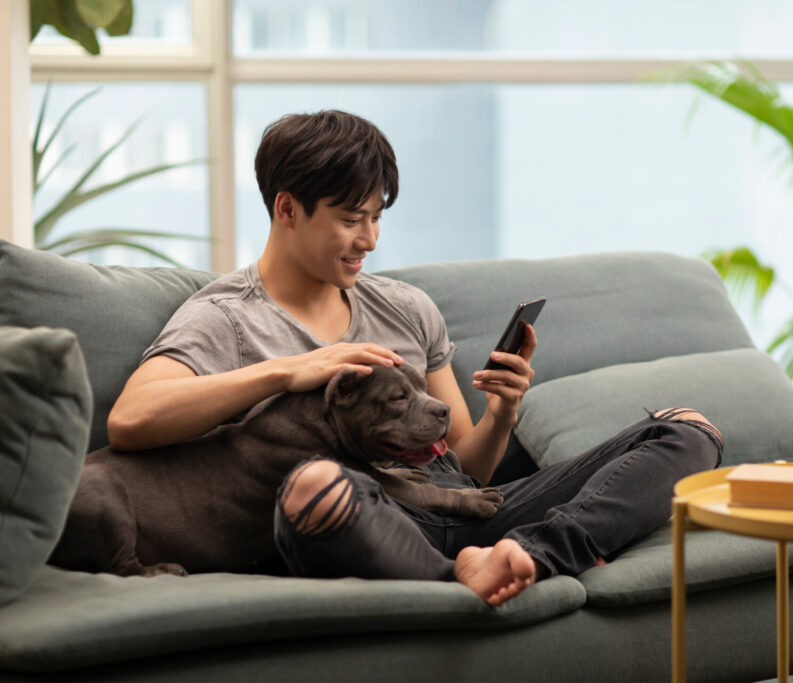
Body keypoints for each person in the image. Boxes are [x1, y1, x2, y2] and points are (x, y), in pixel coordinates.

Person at [107, 110, 723, 607]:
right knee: (315, 485)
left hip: (471, 514)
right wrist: (287, 371)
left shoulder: (404, 308)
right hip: (365, 524)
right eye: (351, 219)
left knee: (687, 431)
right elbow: (131, 420)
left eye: (376, 218)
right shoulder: (226, 317)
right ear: (287, 209)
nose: (369, 239)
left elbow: (465, 467)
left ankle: (532, 555)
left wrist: (503, 414)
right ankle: (455, 577)